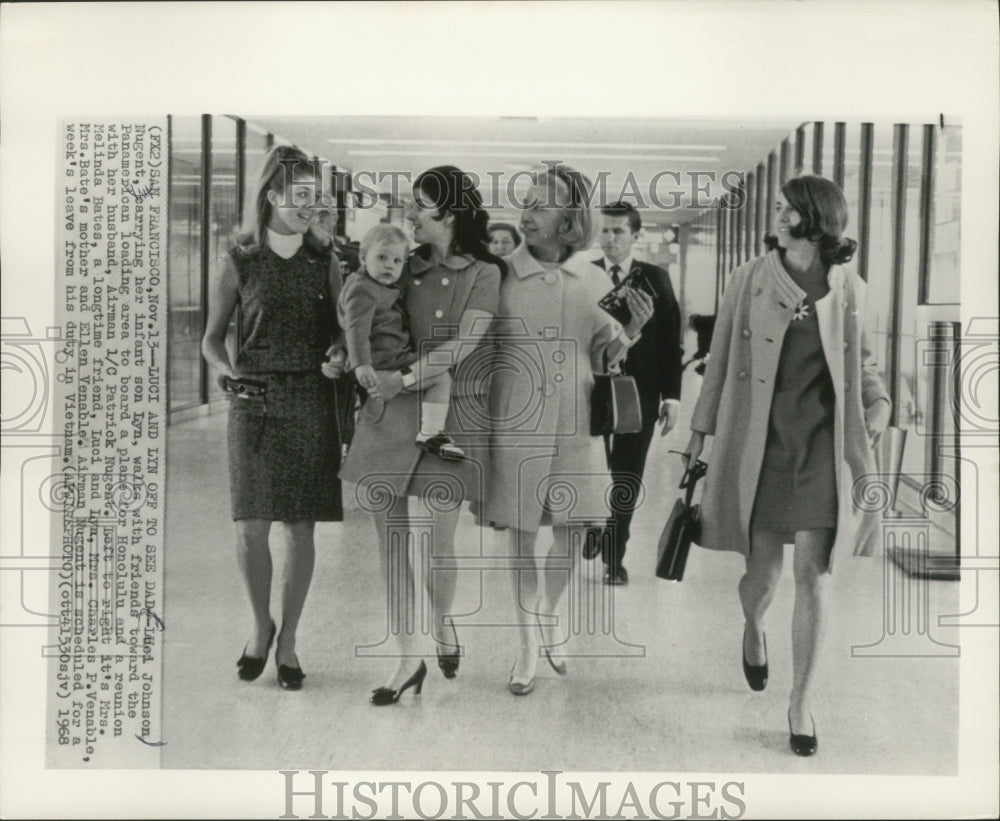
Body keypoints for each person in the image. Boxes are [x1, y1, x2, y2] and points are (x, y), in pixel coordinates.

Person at [683, 174, 891, 756]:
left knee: (815, 576)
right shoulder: (749, 277)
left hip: (822, 446)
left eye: (787, 208)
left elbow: (861, 364)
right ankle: (753, 628)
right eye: (776, 207)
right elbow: (719, 361)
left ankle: (801, 702)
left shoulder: (849, 288)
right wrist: (697, 438)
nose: (777, 215)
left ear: (816, 218)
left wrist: (879, 399)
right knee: (764, 577)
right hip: (762, 443)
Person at [482, 165, 653, 695]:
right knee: (522, 534)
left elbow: (605, 355)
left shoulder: (594, 277)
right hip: (516, 419)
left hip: (578, 419)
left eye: (542, 205)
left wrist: (633, 330)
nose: (528, 213)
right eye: (526, 203)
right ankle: (526, 644)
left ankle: (550, 617)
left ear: (570, 217)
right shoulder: (499, 273)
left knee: (574, 528)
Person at [335, 166, 503, 705]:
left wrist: (403, 377)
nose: (408, 215)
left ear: (448, 214)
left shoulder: (485, 272)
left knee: (438, 542)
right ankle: (407, 658)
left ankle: (442, 621)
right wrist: (345, 355)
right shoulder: (401, 263)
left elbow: (465, 344)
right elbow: (369, 317)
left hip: (444, 417)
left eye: (419, 206)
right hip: (389, 415)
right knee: (391, 543)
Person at [201, 144, 346, 691]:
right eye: (301, 196)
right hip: (253, 400)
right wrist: (228, 372)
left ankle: (289, 643)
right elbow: (213, 341)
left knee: (300, 526)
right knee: (250, 525)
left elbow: (338, 331)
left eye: (316, 196)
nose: (311, 206)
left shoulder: (324, 260)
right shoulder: (238, 259)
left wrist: (337, 354)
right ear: (272, 196)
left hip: (310, 398)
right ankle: (260, 627)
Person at [591, 201, 683, 585]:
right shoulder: (586, 275)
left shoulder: (655, 277)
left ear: (634, 235)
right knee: (594, 471)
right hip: (592, 388)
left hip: (639, 390)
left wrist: (672, 397)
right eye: (605, 231)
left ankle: (615, 555)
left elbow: (669, 340)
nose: (610, 239)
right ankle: (594, 526)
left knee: (627, 475)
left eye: (618, 232)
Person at [337, 223, 463, 460]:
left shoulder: (377, 285)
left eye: (396, 262)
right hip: (385, 360)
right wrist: (361, 363)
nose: (389, 265)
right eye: (382, 257)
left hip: (387, 356)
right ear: (363, 258)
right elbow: (356, 328)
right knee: (440, 374)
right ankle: (431, 432)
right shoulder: (362, 289)